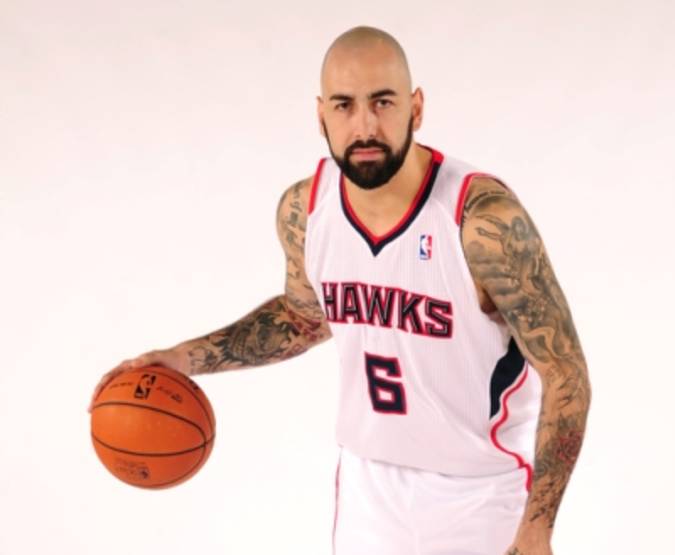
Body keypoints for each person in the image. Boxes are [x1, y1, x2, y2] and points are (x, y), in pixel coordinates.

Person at [90, 25, 591, 555]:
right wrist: (183, 359)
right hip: (369, 491)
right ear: (321, 115)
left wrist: (538, 528)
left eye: (383, 102)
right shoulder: (306, 213)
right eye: (345, 105)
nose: (365, 125)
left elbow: (565, 372)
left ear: (417, 108)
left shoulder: (481, 220)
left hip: (481, 492)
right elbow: (303, 318)